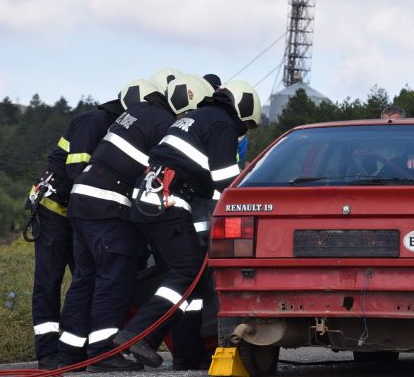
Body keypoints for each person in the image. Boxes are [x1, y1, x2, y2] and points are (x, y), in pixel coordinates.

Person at [113, 80, 261, 370]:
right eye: (248, 125)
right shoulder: (223, 125)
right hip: (168, 203)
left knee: (189, 284)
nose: (244, 131)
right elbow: (226, 182)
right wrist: (253, 191)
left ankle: (187, 353)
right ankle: (139, 334)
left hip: (149, 200)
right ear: (244, 110)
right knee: (187, 271)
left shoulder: (197, 117)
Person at [57, 78, 172, 372]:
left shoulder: (130, 117)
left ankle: (69, 355)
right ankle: (102, 353)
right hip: (108, 211)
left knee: (84, 281)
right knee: (113, 281)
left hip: (82, 205)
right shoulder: (162, 123)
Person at [25, 92, 125, 370]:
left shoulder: (115, 126)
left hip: (80, 214)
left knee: (85, 279)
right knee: (49, 280)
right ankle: (47, 352)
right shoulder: (94, 121)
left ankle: (74, 348)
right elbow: (78, 168)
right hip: (54, 210)